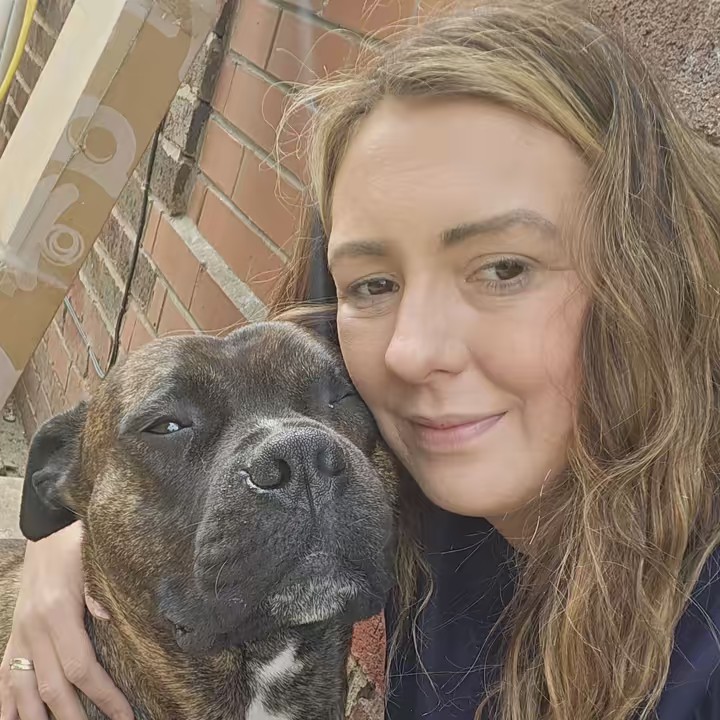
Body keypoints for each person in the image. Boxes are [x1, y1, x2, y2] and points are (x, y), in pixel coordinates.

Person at [3, 1, 720, 718]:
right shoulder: (395, 420)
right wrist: (66, 540)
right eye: (374, 283)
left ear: (653, 276)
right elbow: (239, 390)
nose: (411, 351)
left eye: (505, 268)